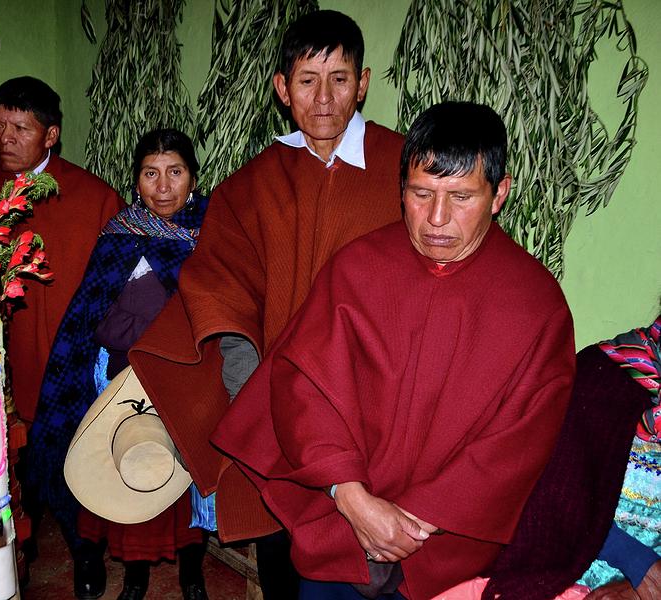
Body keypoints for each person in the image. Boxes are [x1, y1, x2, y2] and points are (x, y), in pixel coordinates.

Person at [210, 101, 577, 600]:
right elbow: (303, 388)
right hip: (339, 523)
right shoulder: (358, 268)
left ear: (499, 193)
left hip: (449, 550)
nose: (437, 219)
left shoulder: (537, 305)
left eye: (461, 196)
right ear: (400, 188)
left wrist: (413, 524)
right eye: (421, 193)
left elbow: (517, 444)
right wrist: (353, 498)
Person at [127, 11, 404, 598]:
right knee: (285, 551)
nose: (324, 98)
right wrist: (245, 382)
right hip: (282, 408)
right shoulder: (249, 185)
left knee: (377, 563)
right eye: (307, 80)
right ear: (282, 88)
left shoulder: (405, 171)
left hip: (378, 403)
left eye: (339, 78)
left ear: (365, 81)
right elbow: (220, 283)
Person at [31, 129, 209, 600]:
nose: (164, 187)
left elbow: (215, 311)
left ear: (193, 178)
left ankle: (193, 573)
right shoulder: (117, 236)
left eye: (176, 173)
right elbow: (90, 315)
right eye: (151, 174)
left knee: (185, 478)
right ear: (136, 182)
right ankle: (135, 576)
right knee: (130, 466)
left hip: (187, 380)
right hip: (120, 381)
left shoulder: (212, 237)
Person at [0, 76, 123, 427]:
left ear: (51, 136)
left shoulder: (93, 198)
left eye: (21, 128)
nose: (5, 138)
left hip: (62, 367)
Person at [461, 315, 661, 600]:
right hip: (556, 578)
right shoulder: (600, 375)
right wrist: (637, 564)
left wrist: (641, 592)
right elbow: (545, 495)